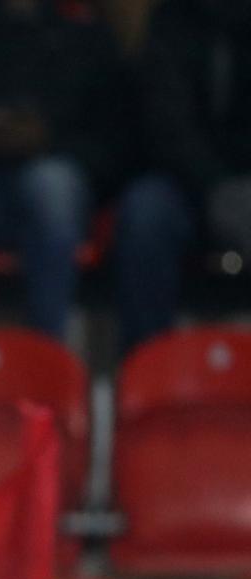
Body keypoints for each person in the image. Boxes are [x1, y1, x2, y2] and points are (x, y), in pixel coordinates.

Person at [0, 0, 128, 337]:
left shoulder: (87, 34)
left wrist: (46, 140)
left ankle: (47, 347)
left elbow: (116, 148)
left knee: (50, 182)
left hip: (54, 200)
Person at [114, 0, 251, 358]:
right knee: (145, 213)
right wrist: (215, 187)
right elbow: (165, 121)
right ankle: (146, 367)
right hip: (185, 183)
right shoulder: (173, 17)